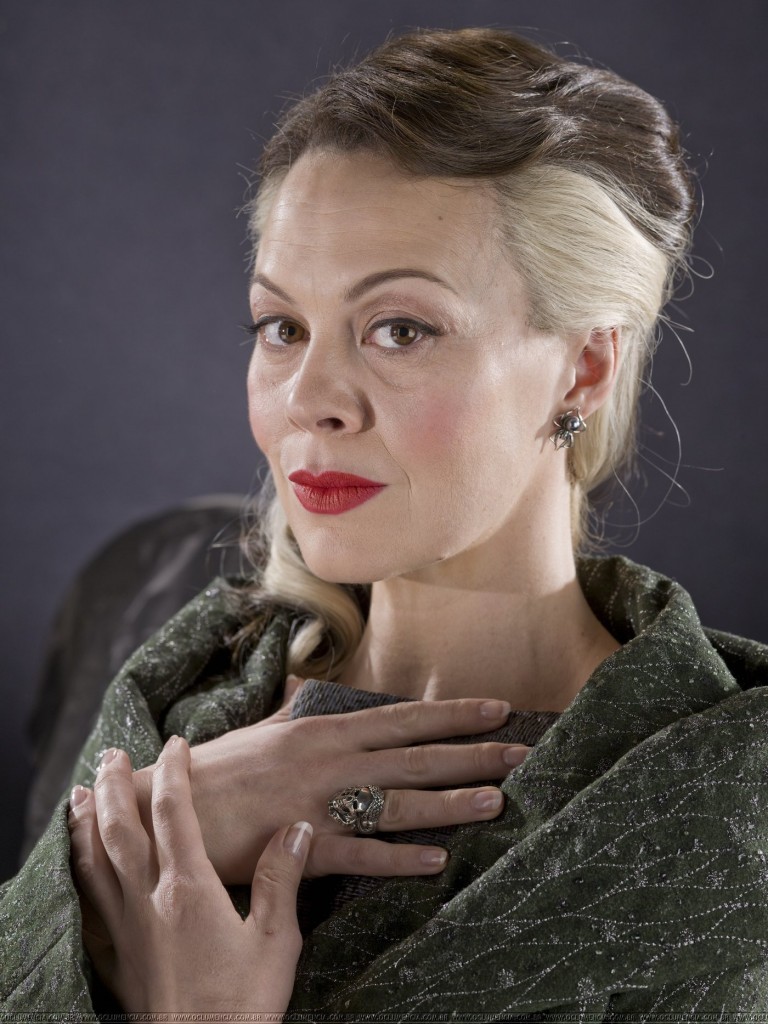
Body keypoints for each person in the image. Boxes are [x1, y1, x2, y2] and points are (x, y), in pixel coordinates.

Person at [3, 25, 768, 1020]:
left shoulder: (719, 816)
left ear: (583, 368)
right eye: (282, 327)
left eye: (400, 329)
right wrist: (152, 822)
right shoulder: (183, 697)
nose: (309, 398)